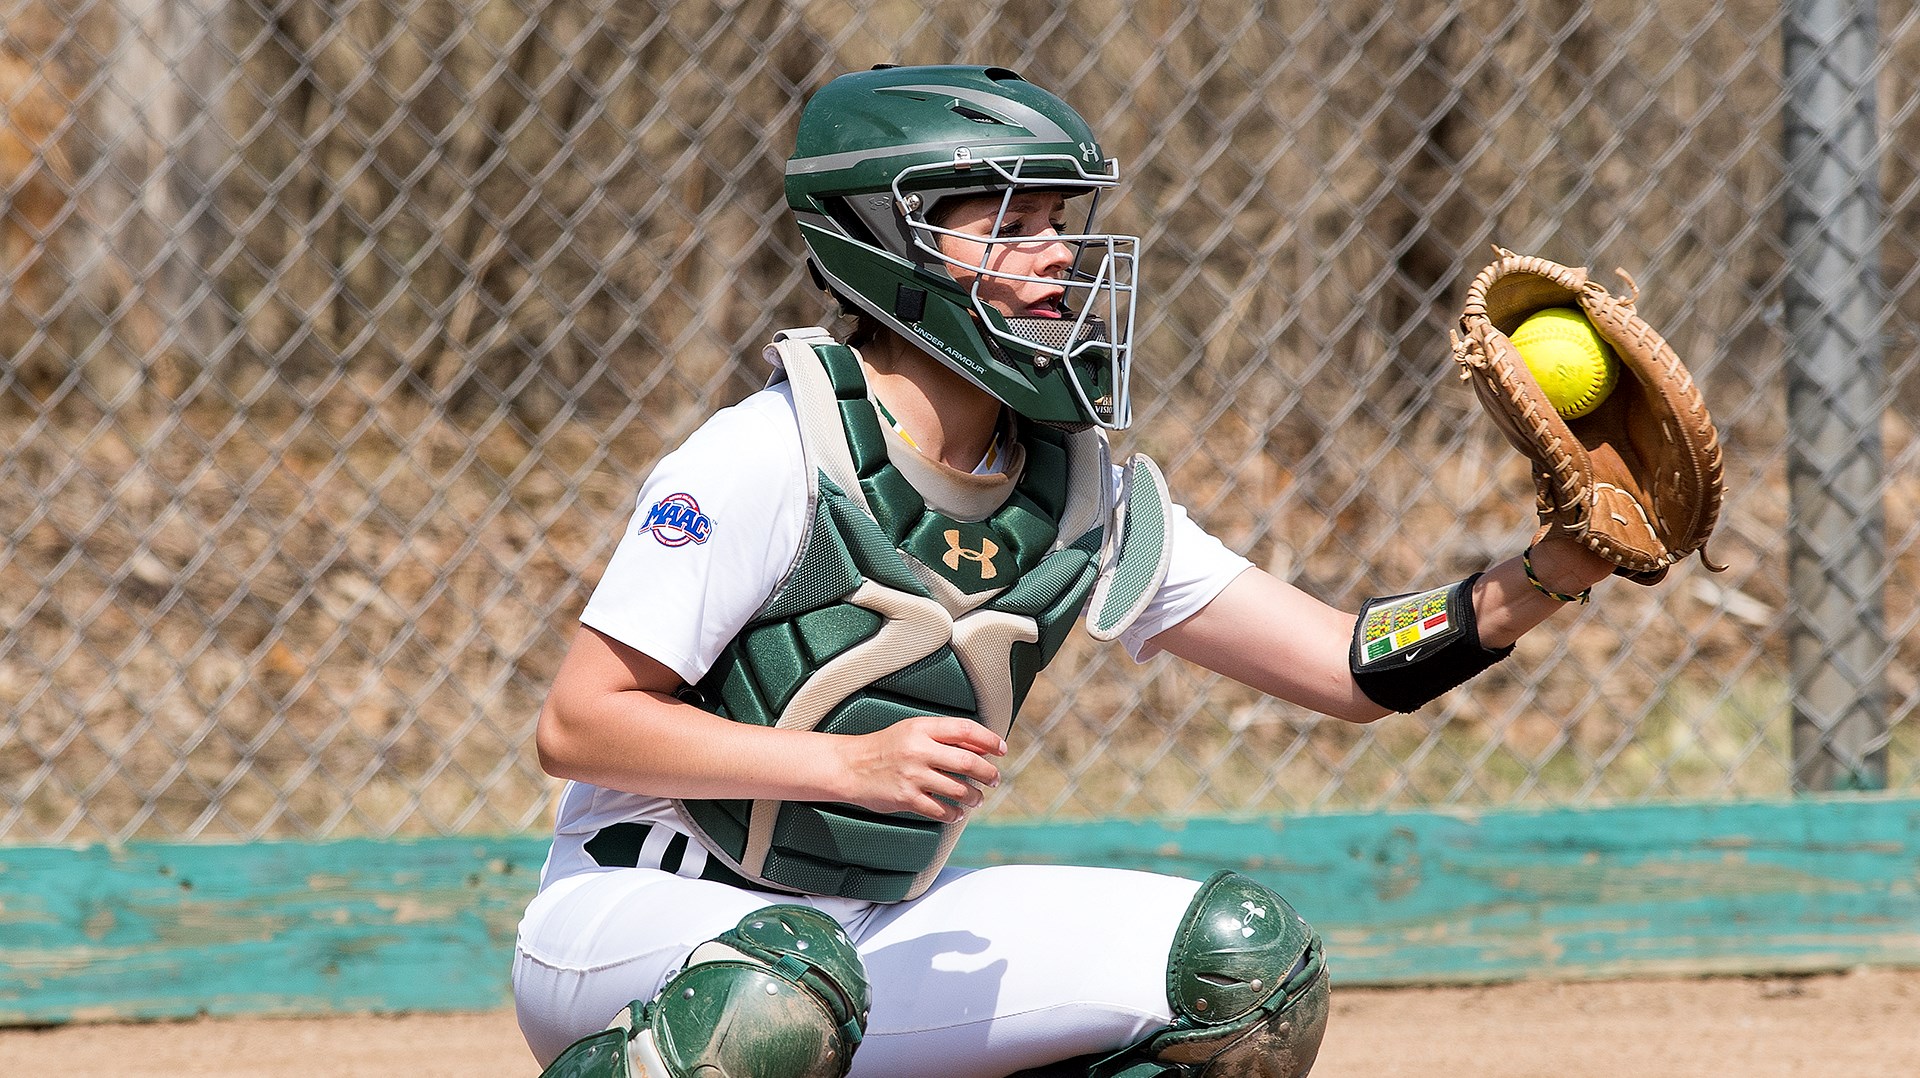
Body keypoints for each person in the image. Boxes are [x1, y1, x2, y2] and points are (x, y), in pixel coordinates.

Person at [511, 64, 1614, 1078]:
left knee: (1247, 973)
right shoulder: (768, 453)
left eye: (1057, 222)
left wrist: (1559, 564)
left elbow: (1349, 669)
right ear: (882, 243)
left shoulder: (1084, 489)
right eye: (1005, 226)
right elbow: (582, 724)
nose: (1058, 254)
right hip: (637, 916)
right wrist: (841, 768)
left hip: (862, 938)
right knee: (779, 991)